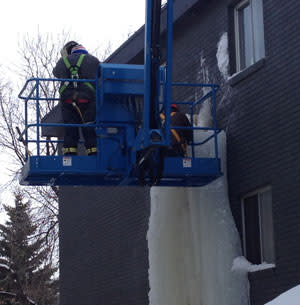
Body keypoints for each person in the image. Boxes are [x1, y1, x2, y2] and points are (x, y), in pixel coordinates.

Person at [53, 41, 100, 156]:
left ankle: (70, 153)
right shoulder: (93, 60)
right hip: (88, 99)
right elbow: (100, 74)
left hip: (68, 100)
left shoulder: (63, 61)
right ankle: (93, 152)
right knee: (88, 125)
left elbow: (56, 72)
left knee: (70, 127)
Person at [137, 104, 193, 185]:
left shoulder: (158, 118)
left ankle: (149, 177)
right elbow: (190, 136)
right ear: (176, 110)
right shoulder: (181, 116)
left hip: (158, 152)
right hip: (176, 151)